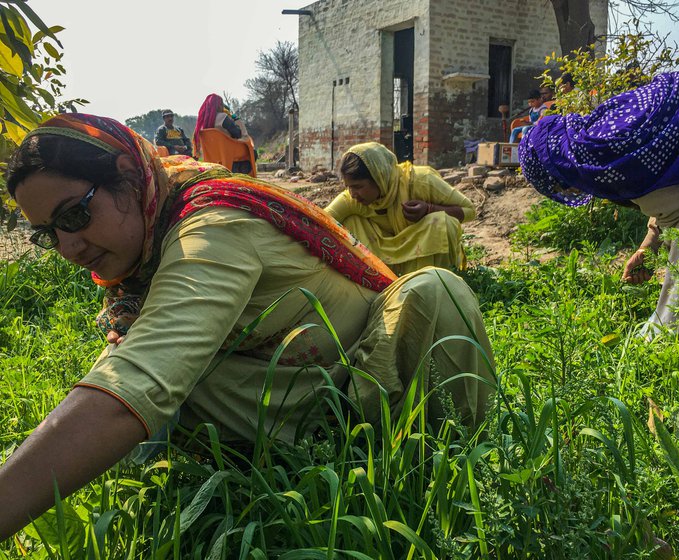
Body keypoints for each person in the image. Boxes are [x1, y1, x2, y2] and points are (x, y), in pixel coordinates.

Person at [0, 114, 495, 540]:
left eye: (75, 214)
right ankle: (249, 481)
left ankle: (450, 473)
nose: (68, 248)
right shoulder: (150, 243)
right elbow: (133, 373)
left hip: (371, 384)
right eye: (48, 235)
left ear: (129, 177)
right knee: (159, 377)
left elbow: (137, 380)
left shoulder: (214, 223)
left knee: (434, 290)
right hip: (300, 402)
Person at [518, 64, 679, 335]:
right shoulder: (597, 134)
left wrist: (654, 247)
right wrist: (648, 248)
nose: (568, 191)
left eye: (558, 184)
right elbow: (669, 185)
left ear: (558, 167)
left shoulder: (601, 161)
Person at [325, 142, 476, 276]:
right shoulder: (353, 200)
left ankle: (438, 281)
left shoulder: (420, 181)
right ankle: (374, 280)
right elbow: (320, 220)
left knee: (442, 222)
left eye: (358, 187)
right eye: (348, 187)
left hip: (422, 258)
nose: (352, 194)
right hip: (386, 261)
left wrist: (429, 209)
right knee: (350, 222)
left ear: (379, 177)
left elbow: (469, 210)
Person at [192, 93, 249, 158]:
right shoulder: (222, 117)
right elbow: (237, 134)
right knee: (252, 152)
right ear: (219, 106)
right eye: (222, 104)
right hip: (228, 152)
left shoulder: (201, 124)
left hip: (210, 155)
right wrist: (236, 119)